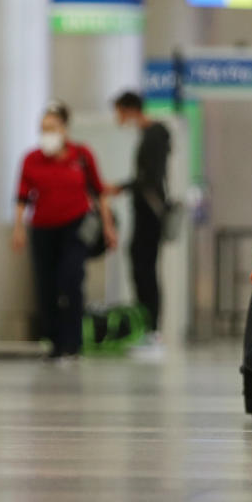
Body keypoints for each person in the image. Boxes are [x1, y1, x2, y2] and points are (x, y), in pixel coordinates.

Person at [12, 101, 116, 360]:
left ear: (65, 129)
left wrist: (108, 226)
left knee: (71, 280)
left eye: (52, 128)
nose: (47, 134)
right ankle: (54, 342)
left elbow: (99, 192)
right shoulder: (31, 159)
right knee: (46, 285)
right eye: (43, 129)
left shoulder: (82, 155)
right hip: (42, 228)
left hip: (75, 224)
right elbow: (22, 197)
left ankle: (73, 343)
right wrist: (18, 228)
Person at [111, 91, 172, 344]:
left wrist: (121, 187)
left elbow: (151, 178)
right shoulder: (147, 134)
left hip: (151, 213)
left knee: (145, 267)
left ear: (130, 109)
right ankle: (145, 325)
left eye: (119, 112)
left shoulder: (155, 134)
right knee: (139, 265)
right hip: (143, 211)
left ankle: (151, 328)